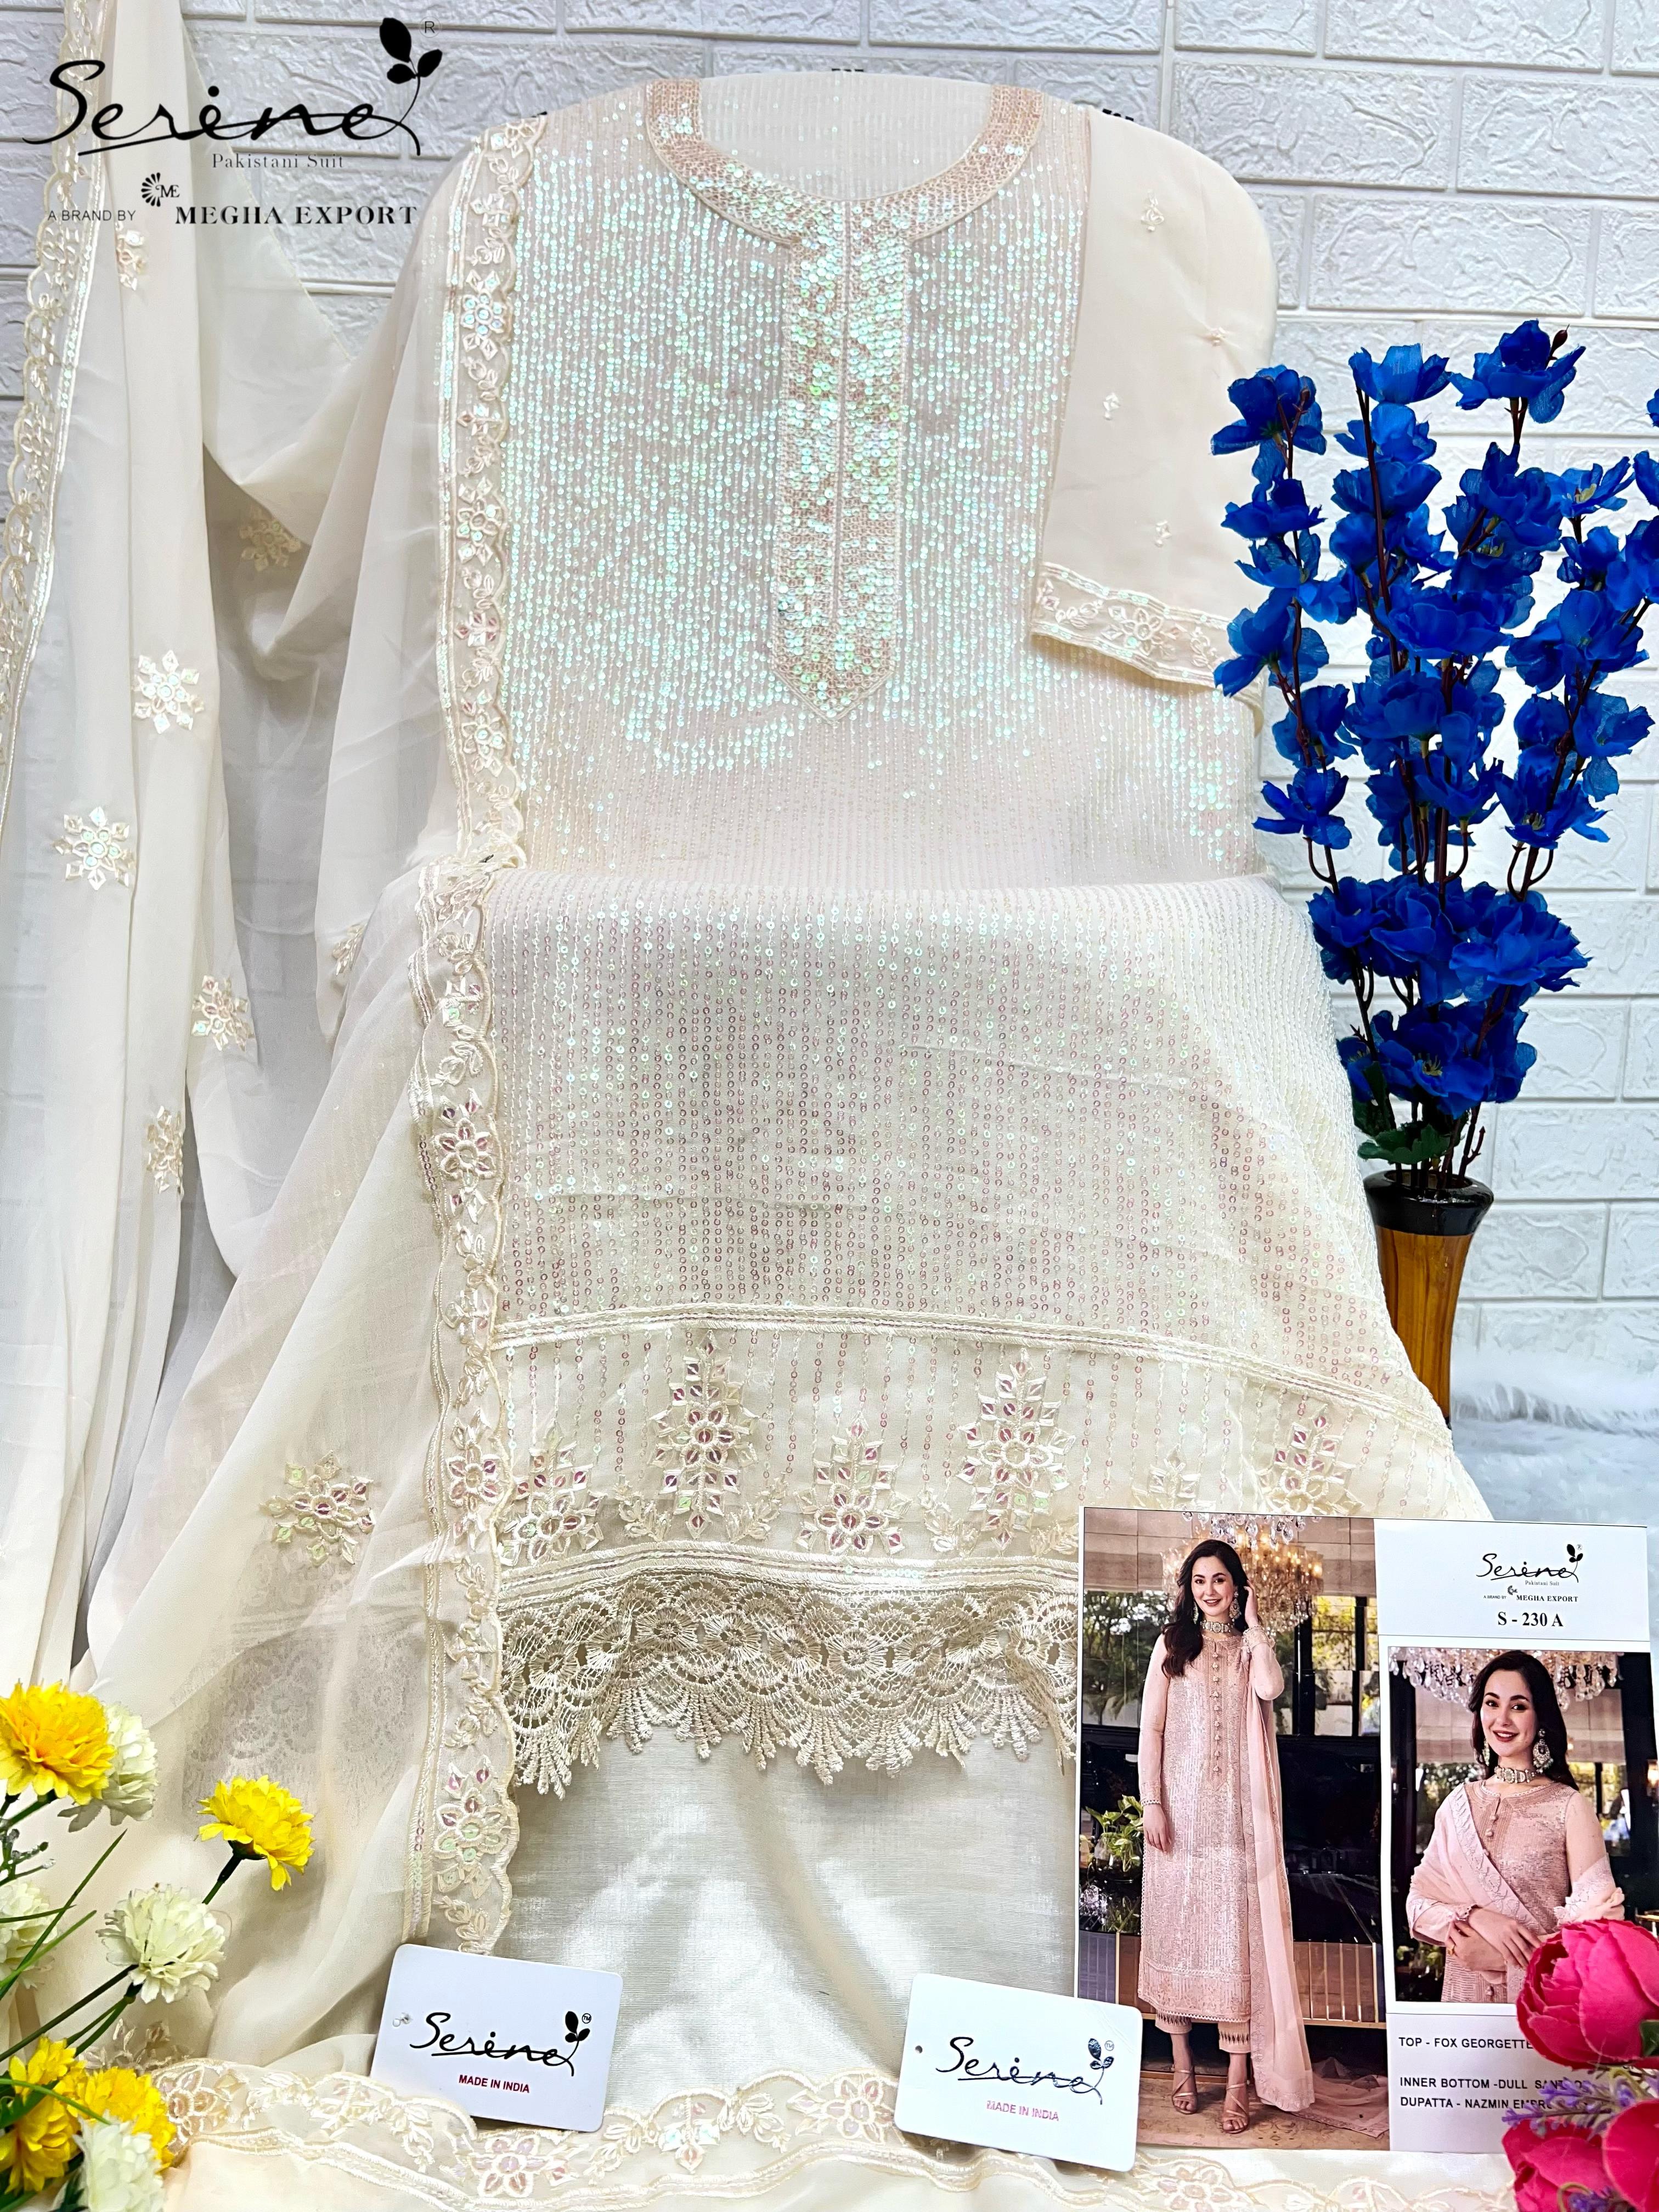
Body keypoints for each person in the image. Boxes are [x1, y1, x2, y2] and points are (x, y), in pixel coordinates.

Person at [1138, 1540, 1313, 2134]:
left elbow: (1271, 1689)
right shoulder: (1172, 1646)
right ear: (1188, 1589)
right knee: (1178, 1937)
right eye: (1199, 1581)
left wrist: (1257, 1627)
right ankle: (1182, 2066)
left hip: (1237, 1826)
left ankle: (1238, 2082)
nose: (1209, 1591)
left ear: (1237, 1586)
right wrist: (1153, 1803)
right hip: (1178, 1824)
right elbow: (1152, 1731)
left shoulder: (1248, 1649)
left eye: (1219, 1580)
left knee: (1234, 1947)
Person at [1407, 1651, 1623, 2002]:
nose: (1502, 1719)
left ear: (1540, 1717)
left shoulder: (1568, 1806)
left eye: (1519, 1706)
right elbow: (1418, 1905)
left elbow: (1599, 1931)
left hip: (1538, 2007)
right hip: (1463, 2011)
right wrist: (1477, 1918)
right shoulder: (1457, 1804)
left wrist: (1504, 1959)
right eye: (1492, 1704)